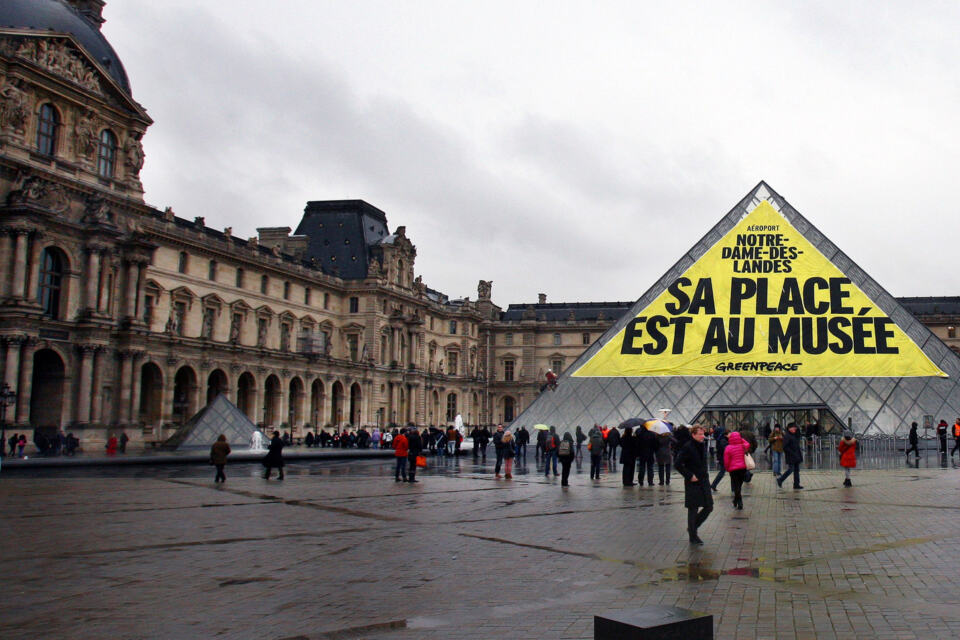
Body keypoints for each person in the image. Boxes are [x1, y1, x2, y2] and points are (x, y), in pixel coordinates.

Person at [675, 425, 713, 544]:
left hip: (703, 480)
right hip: (693, 481)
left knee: (709, 506)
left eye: (703, 434)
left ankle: (692, 527)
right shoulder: (688, 447)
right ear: (693, 435)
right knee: (693, 508)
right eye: (700, 434)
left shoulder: (701, 445)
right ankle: (693, 535)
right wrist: (689, 475)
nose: (703, 436)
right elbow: (677, 464)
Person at [723, 431, 751, 510]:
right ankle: (736, 500)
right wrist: (740, 439)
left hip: (733, 470)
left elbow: (726, 460)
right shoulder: (743, 446)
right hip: (742, 468)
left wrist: (727, 468)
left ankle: (739, 501)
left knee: (736, 485)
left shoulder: (728, 448)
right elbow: (747, 443)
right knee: (739, 485)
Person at [776, 423, 803, 490]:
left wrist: (797, 428)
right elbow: (785, 447)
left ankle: (796, 484)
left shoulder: (794, 435)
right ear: (789, 428)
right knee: (791, 469)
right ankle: (780, 479)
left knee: (797, 470)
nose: (795, 429)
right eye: (793, 428)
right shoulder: (787, 436)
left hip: (796, 455)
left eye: (795, 428)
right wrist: (791, 453)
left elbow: (799, 434)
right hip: (791, 456)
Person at [709, 424, 728, 492]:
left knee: (723, 472)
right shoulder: (723, 440)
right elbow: (725, 449)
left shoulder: (719, 439)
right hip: (724, 458)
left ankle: (714, 485)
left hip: (721, 458)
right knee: (722, 472)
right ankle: (714, 485)